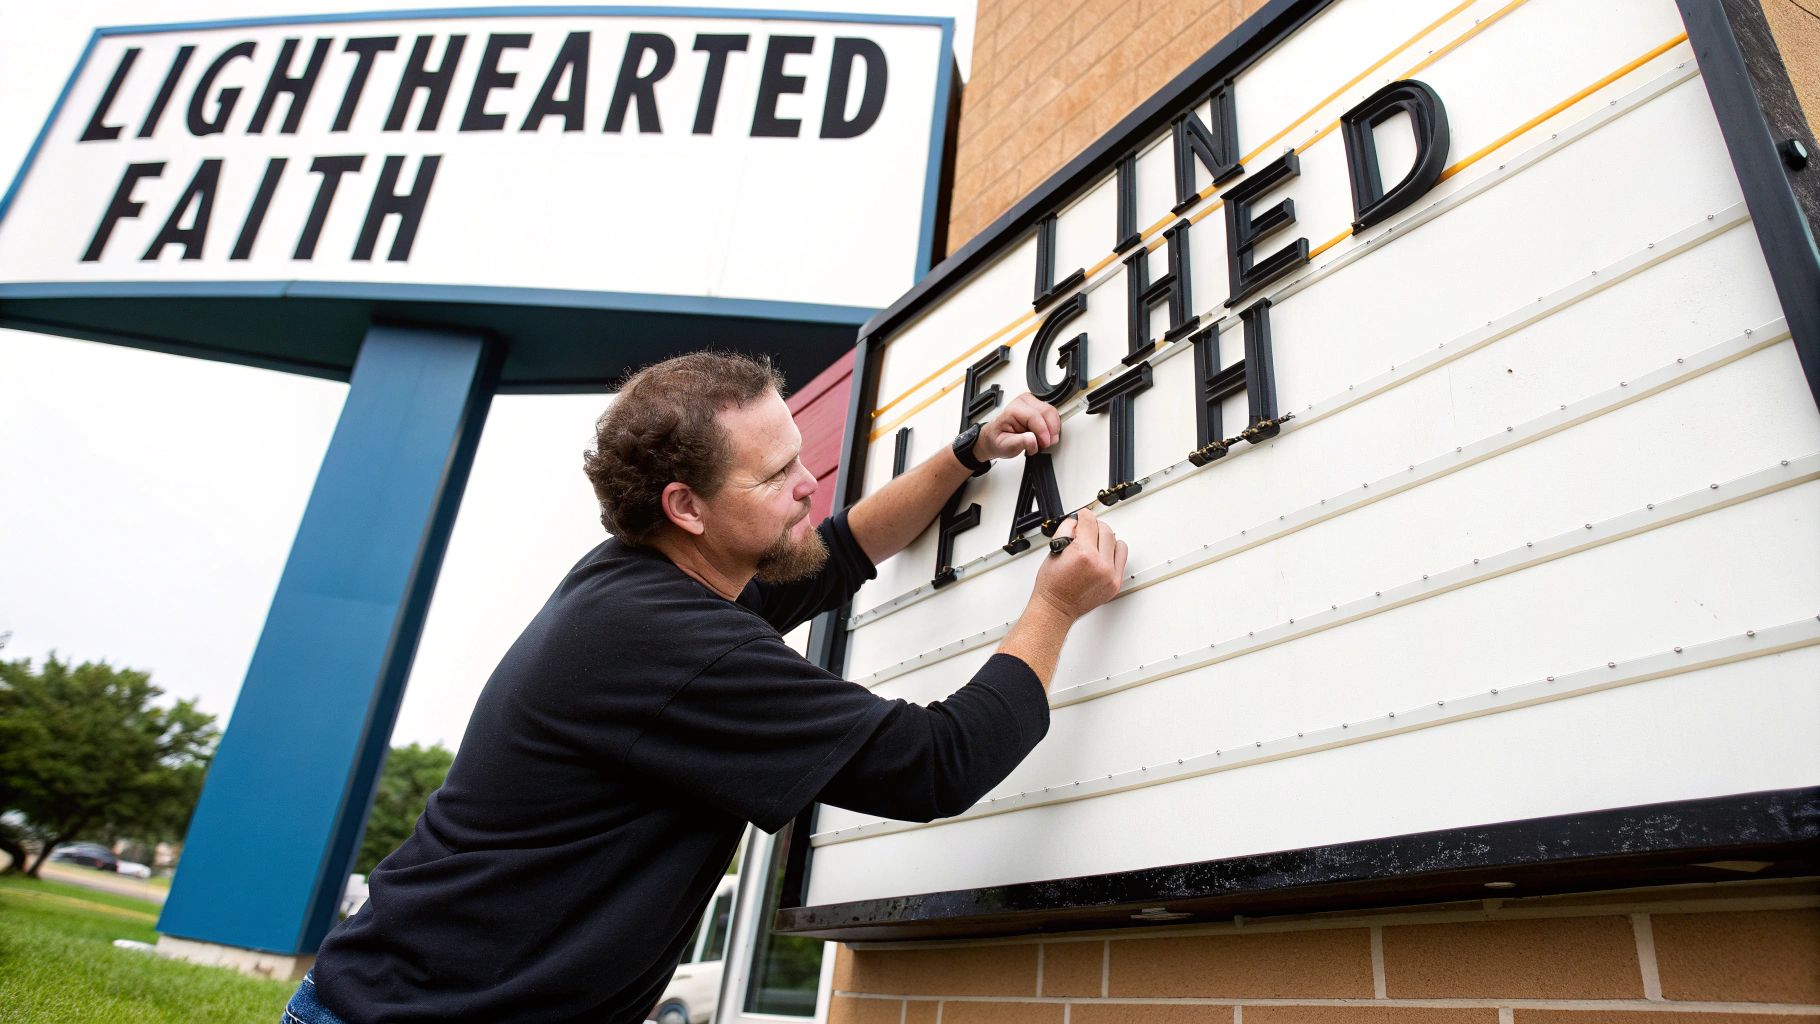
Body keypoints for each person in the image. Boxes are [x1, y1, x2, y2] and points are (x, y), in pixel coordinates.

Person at [284, 351, 1127, 1023]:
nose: (806, 485)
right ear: (685, 506)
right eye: (773, 478)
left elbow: (837, 554)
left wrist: (967, 453)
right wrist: (1055, 604)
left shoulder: (643, 580)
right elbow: (935, 763)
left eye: (801, 457)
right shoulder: (674, 644)